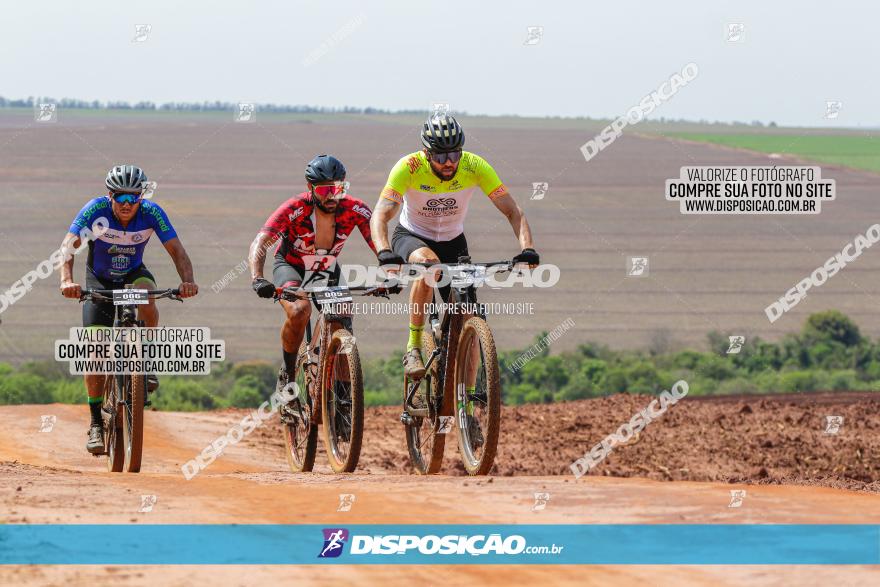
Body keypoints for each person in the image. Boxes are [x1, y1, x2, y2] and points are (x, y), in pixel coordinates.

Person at [369, 114, 540, 407]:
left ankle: (466, 409)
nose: (449, 162)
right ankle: (413, 346)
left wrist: (527, 249)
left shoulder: (475, 166)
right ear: (426, 153)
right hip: (412, 236)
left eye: (454, 153)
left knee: (468, 318)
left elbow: (513, 211)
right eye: (440, 155)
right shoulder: (408, 167)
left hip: (453, 241)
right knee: (429, 266)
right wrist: (385, 251)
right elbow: (380, 215)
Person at [59, 164, 198, 454]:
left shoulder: (152, 213)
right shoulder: (95, 210)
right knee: (96, 351)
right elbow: (67, 247)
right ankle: (96, 422)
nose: (126, 204)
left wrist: (188, 281)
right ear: (109, 195)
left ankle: (145, 359)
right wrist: (66, 280)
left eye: (133, 198)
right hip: (99, 279)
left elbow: (177, 250)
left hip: (134, 274)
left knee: (148, 296)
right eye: (120, 198)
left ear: (141, 198)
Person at [248, 155, 377, 391]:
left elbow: (379, 241)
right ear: (310, 188)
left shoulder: (354, 209)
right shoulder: (294, 207)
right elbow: (261, 242)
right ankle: (287, 374)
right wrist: (257, 278)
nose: (331, 195)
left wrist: (391, 267)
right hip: (291, 264)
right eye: (324, 190)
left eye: (338, 188)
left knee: (342, 315)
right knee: (299, 311)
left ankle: (343, 393)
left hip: (324, 267)